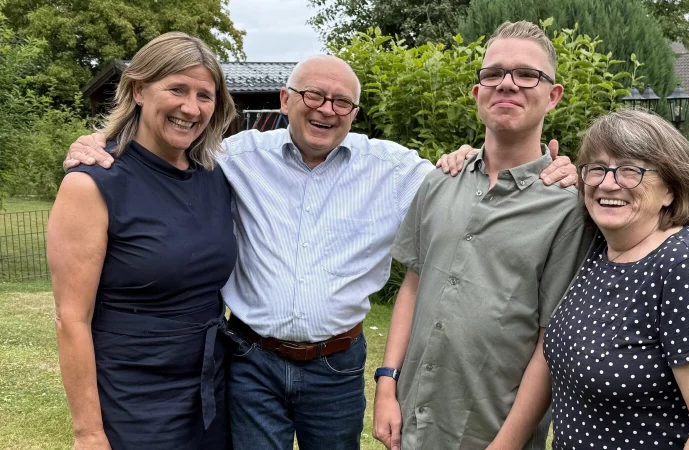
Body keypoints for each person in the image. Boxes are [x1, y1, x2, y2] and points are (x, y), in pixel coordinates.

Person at [64, 54, 577, 449]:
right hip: (250, 360)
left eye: (342, 103)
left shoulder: (397, 170)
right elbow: (162, 148)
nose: (326, 110)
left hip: (336, 365)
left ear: (355, 112)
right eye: (313, 95)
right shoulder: (235, 157)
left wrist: (551, 170)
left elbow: (473, 184)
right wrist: (94, 145)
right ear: (285, 100)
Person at [373, 21, 595, 450]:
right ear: (477, 94)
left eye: (526, 74)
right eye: (493, 73)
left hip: (490, 429)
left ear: (553, 96)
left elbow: (552, 341)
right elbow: (413, 288)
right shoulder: (439, 181)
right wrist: (386, 385)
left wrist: (507, 443)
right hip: (415, 421)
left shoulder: (567, 207)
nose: (507, 84)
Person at [48, 32, 238, 450]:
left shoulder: (217, 176)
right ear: (138, 89)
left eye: (205, 95)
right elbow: (71, 319)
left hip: (212, 388)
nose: (192, 108)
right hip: (134, 394)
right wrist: (88, 433)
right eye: (177, 89)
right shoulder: (92, 183)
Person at [544, 109, 689, 450]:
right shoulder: (601, 249)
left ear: (670, 188)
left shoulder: (686, 268)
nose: (609, 183)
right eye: (597, 168)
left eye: (630, 170)